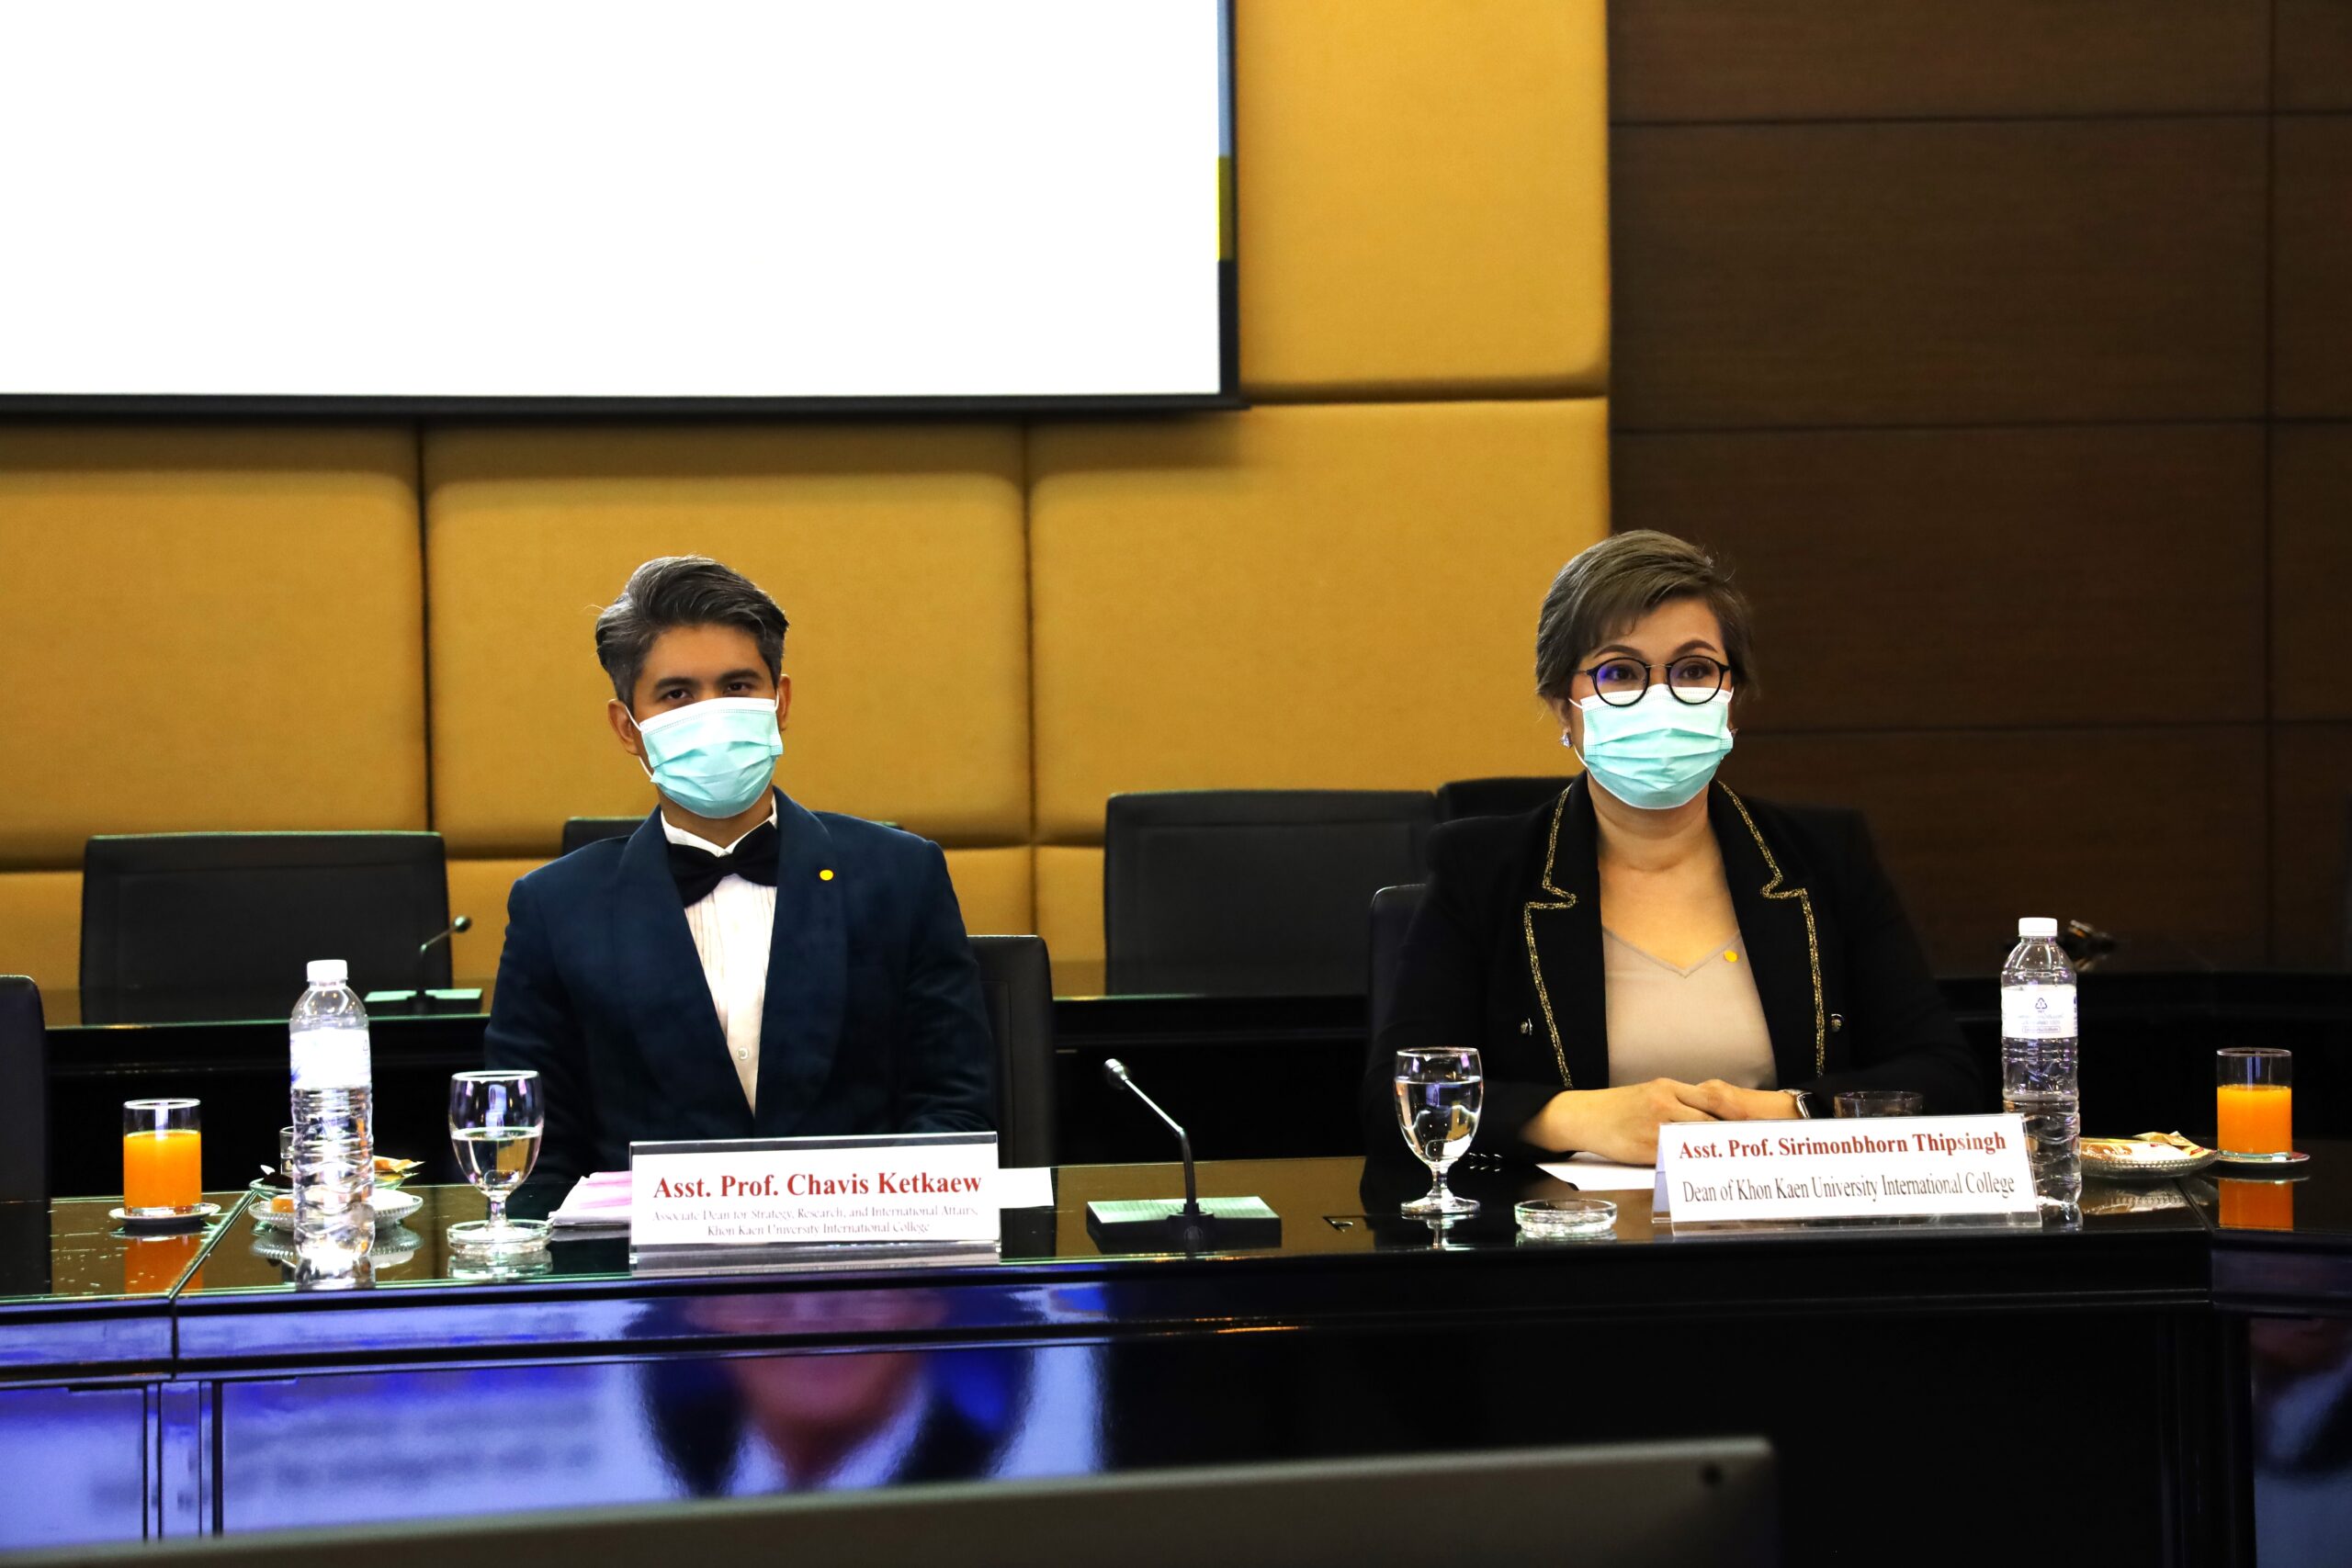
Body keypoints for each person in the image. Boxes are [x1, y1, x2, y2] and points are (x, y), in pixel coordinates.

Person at [1365, 530, 1983, 1168]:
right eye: (1620, 673)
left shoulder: (1824, 857)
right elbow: (1397, 1098)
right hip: (1567, 1225)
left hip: (1784, 1216)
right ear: (1562, 707)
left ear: (1731, 702)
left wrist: (1792, 1114)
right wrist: (1575, 1117)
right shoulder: (1482, 868)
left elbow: (1945, 1075)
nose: (1661, 700)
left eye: (1693, 670)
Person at [486, 555, 994, 1182]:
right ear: (627, 728)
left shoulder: (901, 877)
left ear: (780, 703)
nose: (713, 713)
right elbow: (532, 1155)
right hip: (638, 1247)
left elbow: (953, 1107)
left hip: (864, 1239)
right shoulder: (555, 908)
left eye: (737, 687)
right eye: (677, 694)